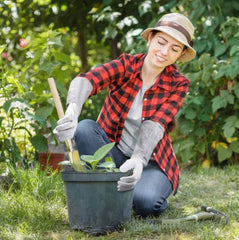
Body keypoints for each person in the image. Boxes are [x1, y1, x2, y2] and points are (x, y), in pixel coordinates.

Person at [54, 12, 196, 217]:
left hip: (150, 161)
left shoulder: (178, 84)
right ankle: (110, 190)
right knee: (84, 128)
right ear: (150, 38)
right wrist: (72, 110)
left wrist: (138, 159)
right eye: (161, 42)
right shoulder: (126, 65)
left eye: (174, 49)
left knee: (147, 204)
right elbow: (88, 79)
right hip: (113, 153)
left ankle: (117, 191)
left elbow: (157, 122)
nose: (165, 52)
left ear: (180, 55)